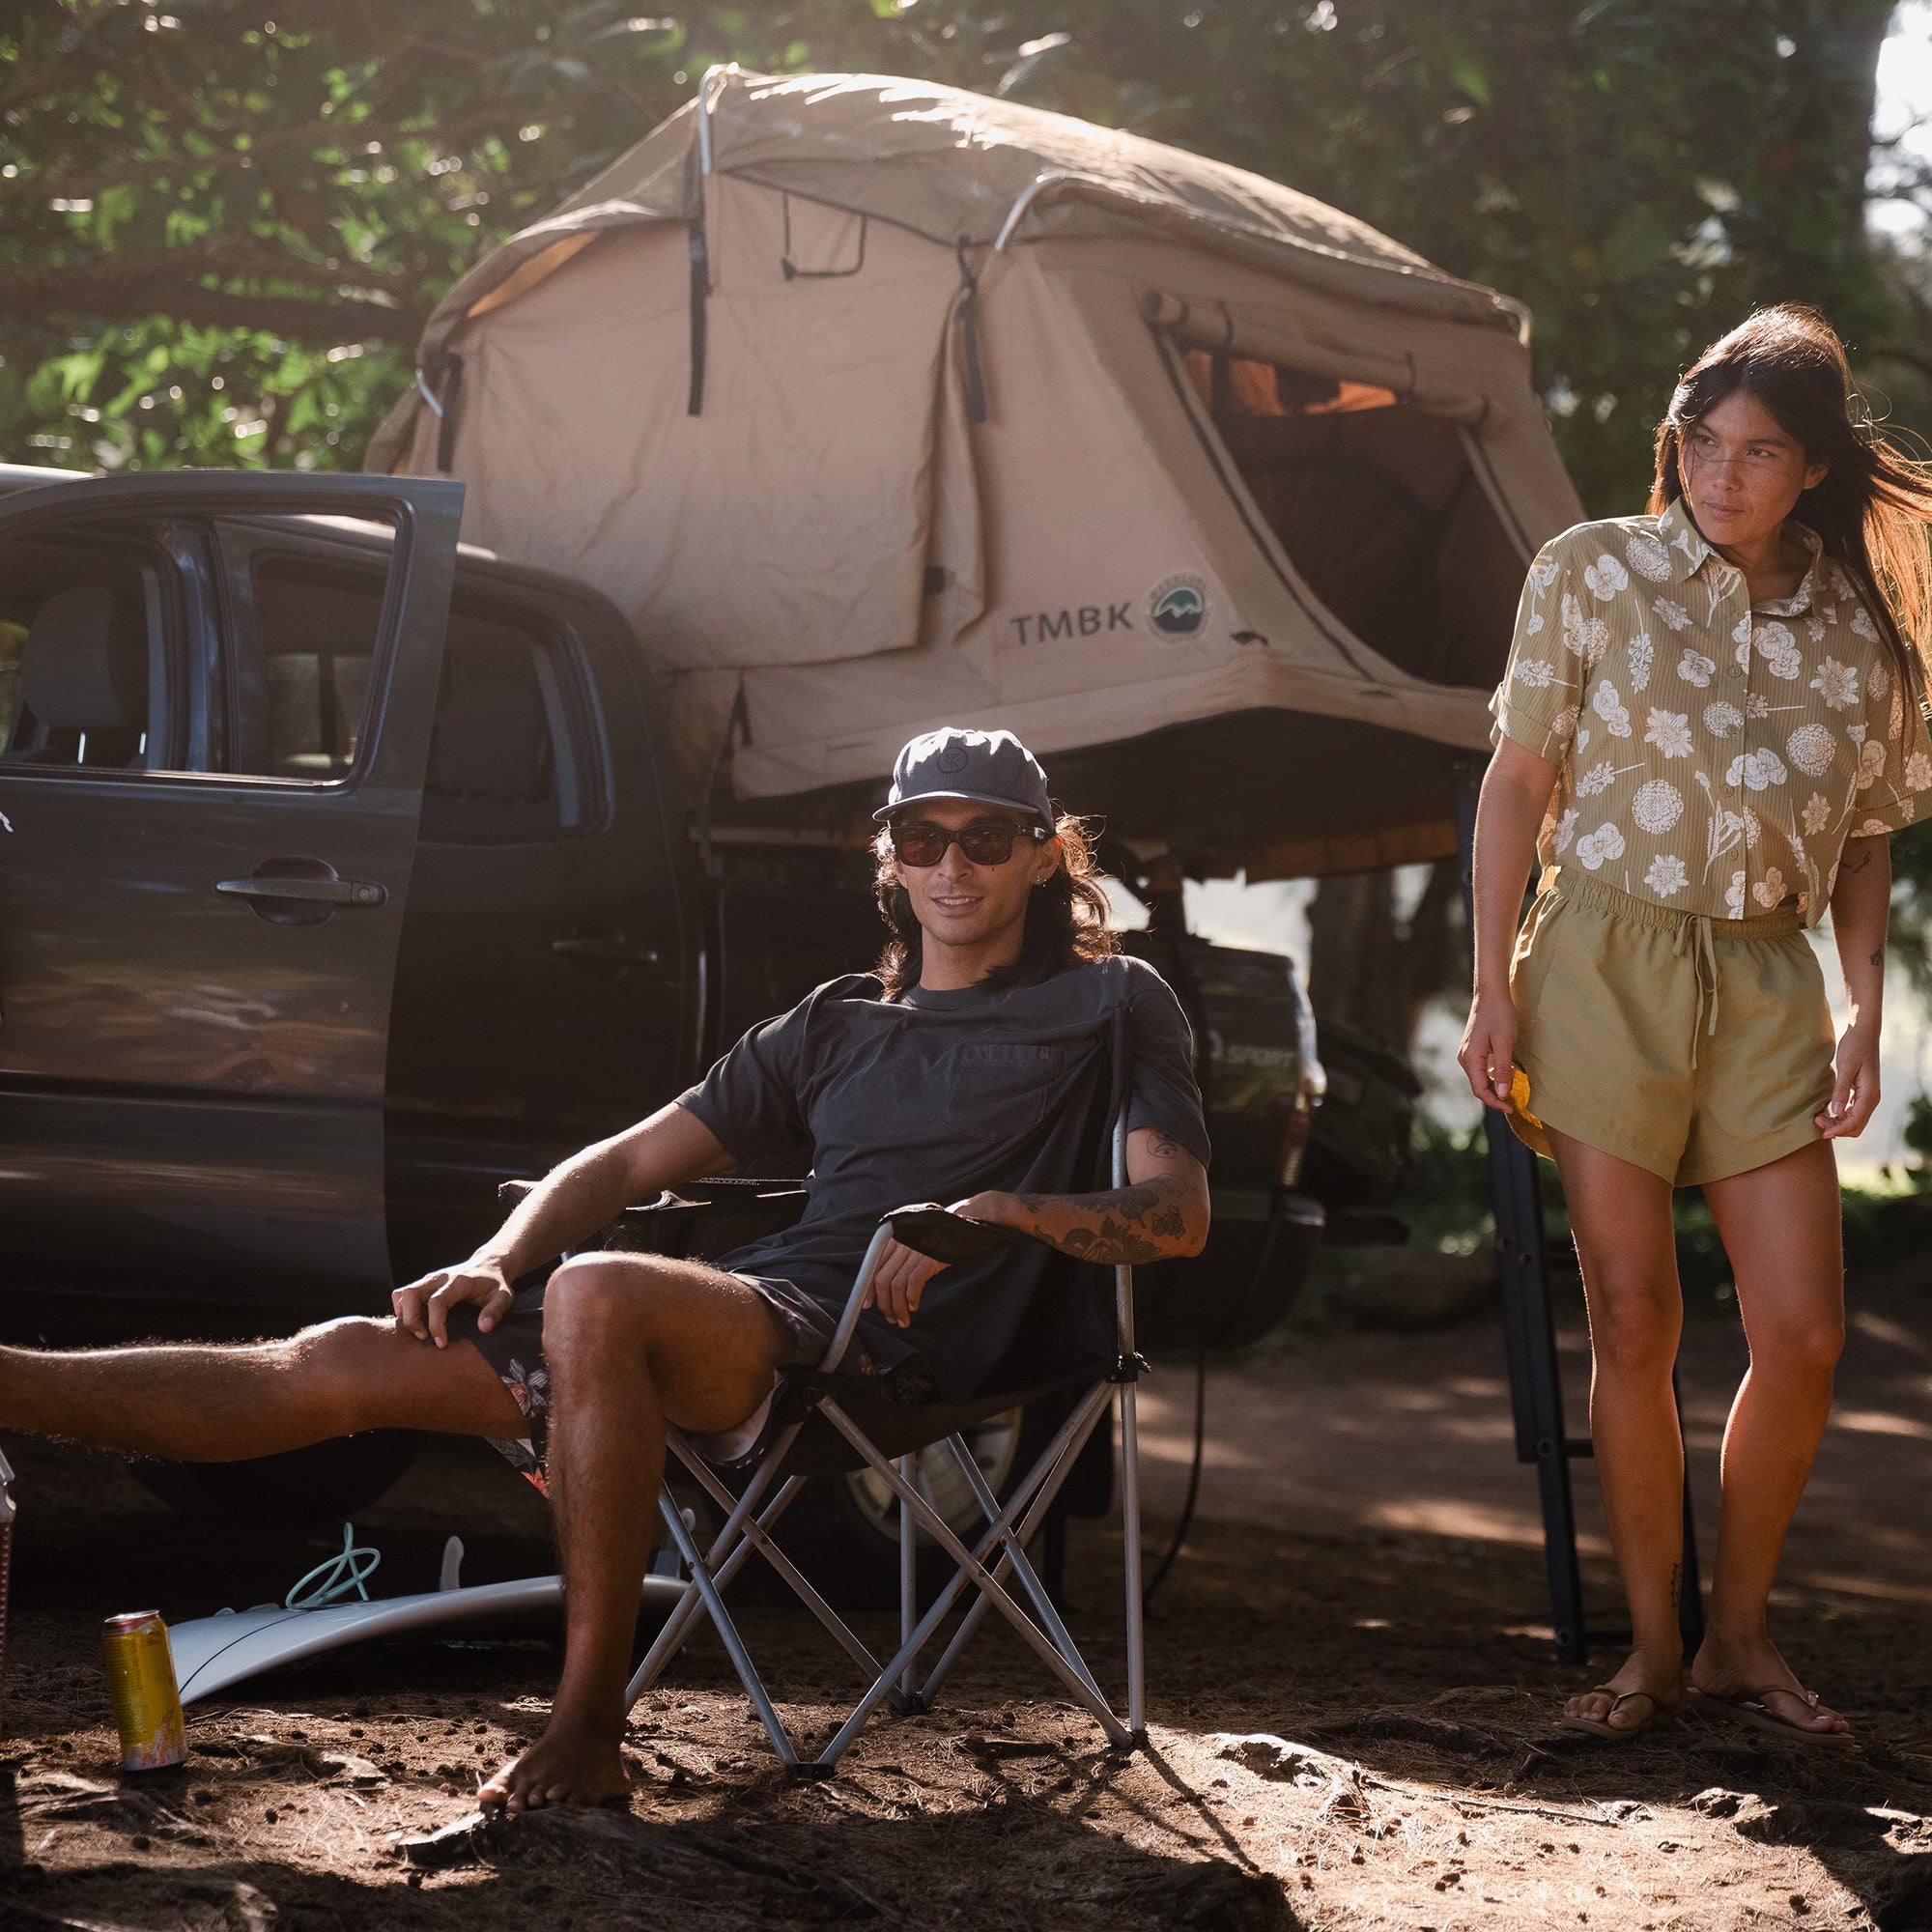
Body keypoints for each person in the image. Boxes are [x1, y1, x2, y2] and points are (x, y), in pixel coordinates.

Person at [0, 725, 1209, 1809]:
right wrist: (494, 1253)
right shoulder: (834, 1023)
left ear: (1044, 853)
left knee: (596, 1288)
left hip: (891, 1348)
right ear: (885, 853)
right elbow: (624, 1160)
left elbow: (1173, 1214)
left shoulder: (1109, 1003)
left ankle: (586, 1722)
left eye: (986, 837)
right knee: (337, 1360)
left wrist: (1000, 1211)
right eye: (921, 834)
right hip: (757, 1317)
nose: (952, 865)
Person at [1461, 305, 1932, 1745]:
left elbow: (1862, 841)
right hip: (1603, 955)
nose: (1722, 477)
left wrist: (1863, 1010)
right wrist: (1492, 983)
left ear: (1810, 472)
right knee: (1637, 1314)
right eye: (1703, 446)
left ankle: (1742, 1637)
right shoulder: (1592, 571)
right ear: (1676, 445)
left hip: (1771, 981)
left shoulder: (1858, 631)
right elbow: (1514, 785)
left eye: (1759, 453)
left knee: (1800, 1331)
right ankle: (1651, 1655)